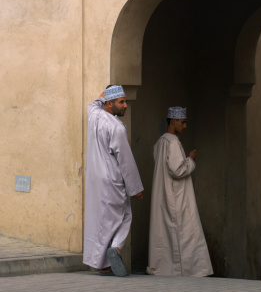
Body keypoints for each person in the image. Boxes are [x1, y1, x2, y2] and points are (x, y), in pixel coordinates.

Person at [83, 85, 143, 277]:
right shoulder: (116, 127)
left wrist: (105, 91)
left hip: (94, 180)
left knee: (102, 222)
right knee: (124, 216)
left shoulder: (94, 115)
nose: (125, 105)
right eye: (121, 102)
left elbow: (93, 103)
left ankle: (104, 265)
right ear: (110, 103)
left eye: (125, 101)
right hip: (111, 179)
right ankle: (116, 248)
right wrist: (135, 189)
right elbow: (125, 160)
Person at [146, 106, 213, 277]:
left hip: (165, 194)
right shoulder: (173, 142)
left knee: (167, 233)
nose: (185, 127)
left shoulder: (160, 142)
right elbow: (177, 170)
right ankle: (192, 270)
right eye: (182, 123)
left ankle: (167, 269)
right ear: (173, 122)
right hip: (176, 196)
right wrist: (190, 159)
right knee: (185, 232)